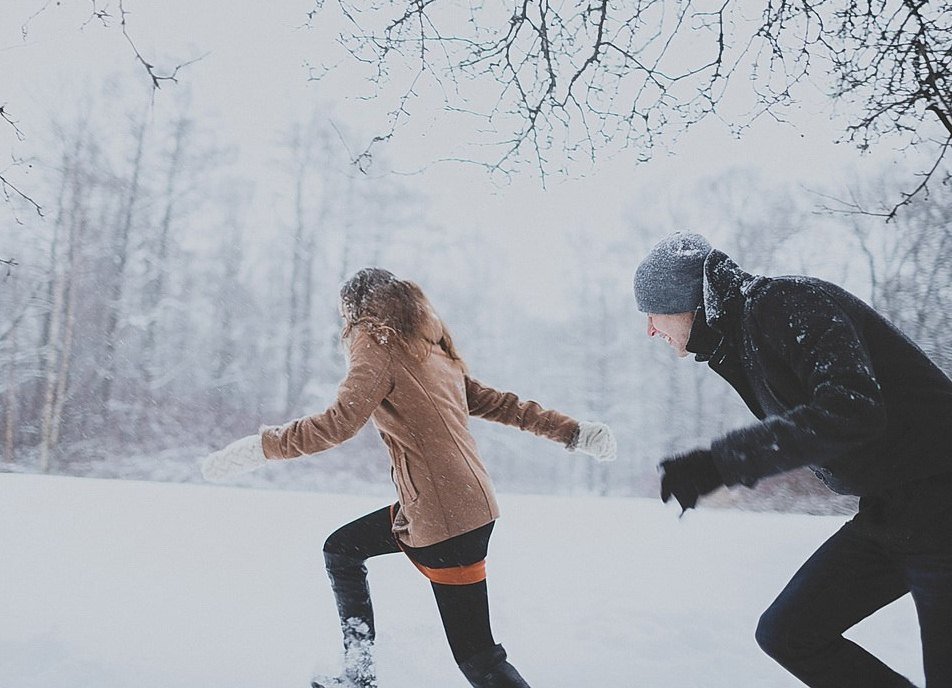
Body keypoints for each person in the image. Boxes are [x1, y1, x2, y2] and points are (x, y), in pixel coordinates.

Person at [201, 268, 617, 688]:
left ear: (357, 310)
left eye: (344, 316)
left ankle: (360, 675)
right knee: (342, 550)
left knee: (478, 658)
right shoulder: (427, 348)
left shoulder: (377, 342)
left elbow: (338, 422)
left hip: (444, 518)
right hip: (457, 505)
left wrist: (262, 447)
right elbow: (502, 404)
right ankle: (358, 675)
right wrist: (573, 432)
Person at [633, 232, 952, 688]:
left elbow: (851, 408)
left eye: (652, 313)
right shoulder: (743, 338)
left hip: (941, 501)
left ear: (684, 302)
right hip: (891, 511)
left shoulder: (785, 303)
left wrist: (721, 463)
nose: (650, 329)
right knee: (789, 634)